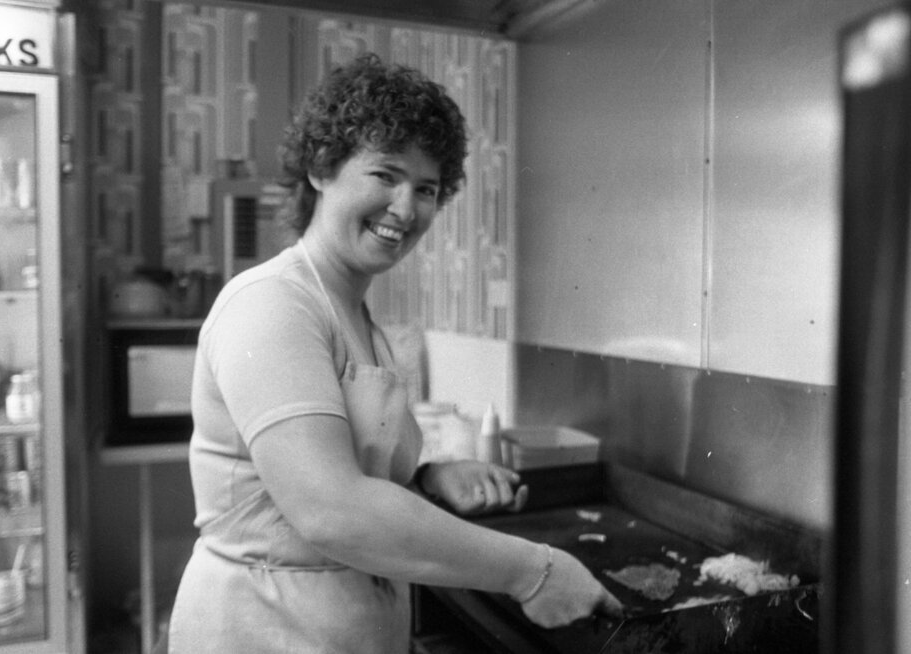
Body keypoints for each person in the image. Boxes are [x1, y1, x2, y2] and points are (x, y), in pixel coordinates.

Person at [167, 53, 622, 653]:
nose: (406, 209)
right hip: (266, 628)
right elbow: (331, 510)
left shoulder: (359, 318)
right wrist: (532, 571)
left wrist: (430, 480)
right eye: (385, 175)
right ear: (321, 168)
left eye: (426, 189)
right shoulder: (272, 304)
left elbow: (357, 473)